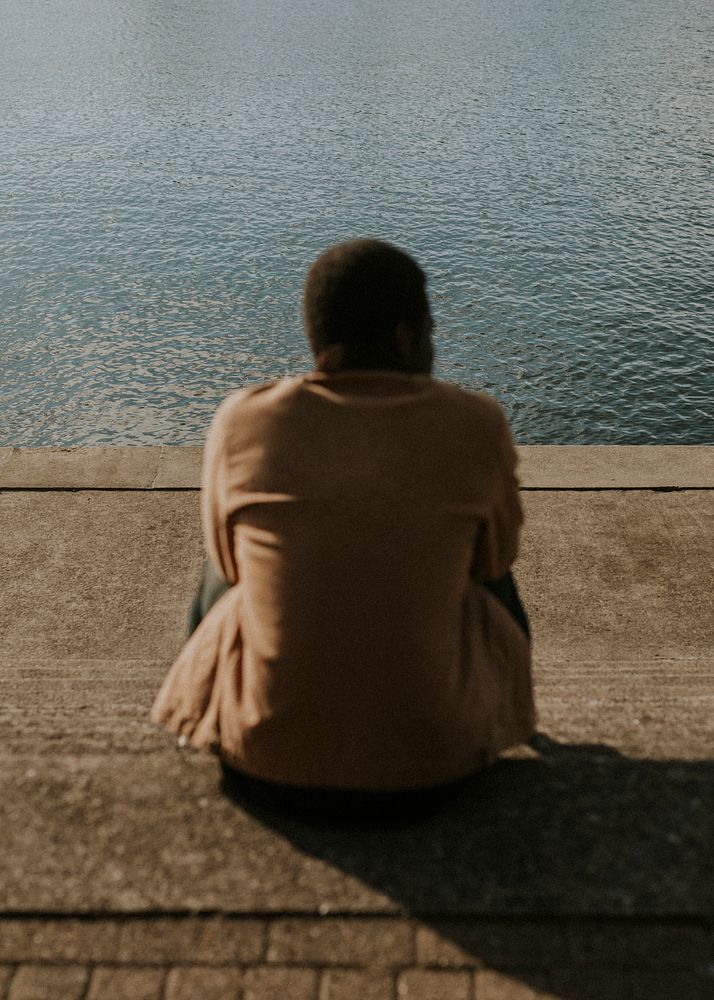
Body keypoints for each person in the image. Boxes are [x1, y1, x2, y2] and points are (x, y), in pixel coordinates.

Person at [151, 239, 535, 822]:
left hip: (264, 766)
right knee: (489, 573)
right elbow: (493, 561)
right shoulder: (474, 422)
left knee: (231, 560)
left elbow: (229, 568)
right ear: (406, 337)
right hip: (439, 770)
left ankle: (209, 719)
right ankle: (505, 721)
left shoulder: (245, 419)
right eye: (431, 328)